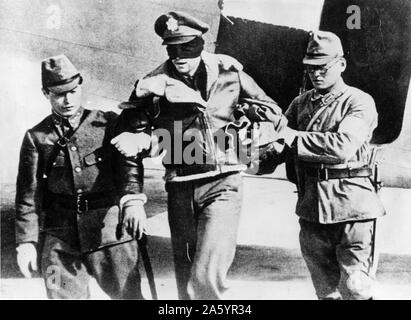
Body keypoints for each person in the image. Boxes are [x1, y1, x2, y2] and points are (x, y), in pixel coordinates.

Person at [111, 11, 279, 299]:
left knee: (206, 277)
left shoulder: (230, 75)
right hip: (180, 187)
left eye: (187, 48)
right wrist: (133, 199)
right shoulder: (150, 86)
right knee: (185, 281)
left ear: (200, 45)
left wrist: (251, 130)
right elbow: (128, 149)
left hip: (224, 185)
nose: (179, 57)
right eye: (172, 49)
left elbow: (272, 112)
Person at [259, 31, 386, 300]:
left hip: (352, 210)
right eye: (310, 68)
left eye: (322, 67)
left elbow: (342, 146)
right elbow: (279, 148)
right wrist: (249, 154)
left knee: (356, 289)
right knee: (325, 293)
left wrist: (290, 135)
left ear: (341, 64)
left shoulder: (358, 101)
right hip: (312, 209)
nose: (316, 74)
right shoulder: (300, 103)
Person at [15, 54, 146, 299]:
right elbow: (28, 196)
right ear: (46, 94)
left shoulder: (107, 123)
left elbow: (128, 166)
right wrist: (26, 243)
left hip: (109, 232)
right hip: (60, 237)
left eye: (73, 91)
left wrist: (133, 200)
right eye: (59, 94)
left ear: (81, 86)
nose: (67, 100)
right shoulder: (37, 137)